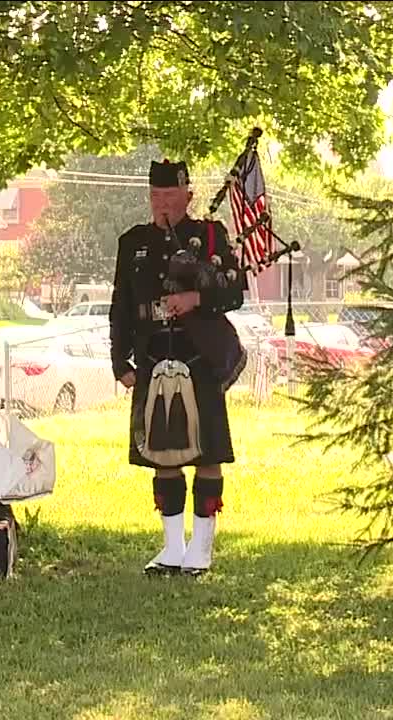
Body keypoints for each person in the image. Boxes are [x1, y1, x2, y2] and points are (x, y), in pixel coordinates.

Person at [108, 158, 247, 577]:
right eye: (155, 196)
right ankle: (172, 549)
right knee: (162, 452)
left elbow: (236, 291)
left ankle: (201, 549)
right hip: (152, 354)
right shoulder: (132, 242)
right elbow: (120, 305)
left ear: (188, 196)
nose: (162, 204)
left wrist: (196, 300)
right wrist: (120, 360)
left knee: (206, 451)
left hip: (198, 354)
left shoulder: (209, 236)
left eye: (170, 196)